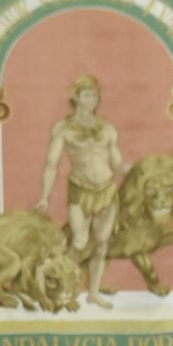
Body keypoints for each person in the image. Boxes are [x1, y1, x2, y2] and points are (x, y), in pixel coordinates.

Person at [34, 74, 125, 308]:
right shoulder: (64, 129)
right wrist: (44, 197)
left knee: (102, 243)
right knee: (80, 240)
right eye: (86, 95)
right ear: (76, 98)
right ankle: (70, 287)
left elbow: (117, 164)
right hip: (80, 191)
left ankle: (93, 292)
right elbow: (52, 165)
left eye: (94, 95)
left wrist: (140, 168)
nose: (91, 99)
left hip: (106, 190)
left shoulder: (108, 129)